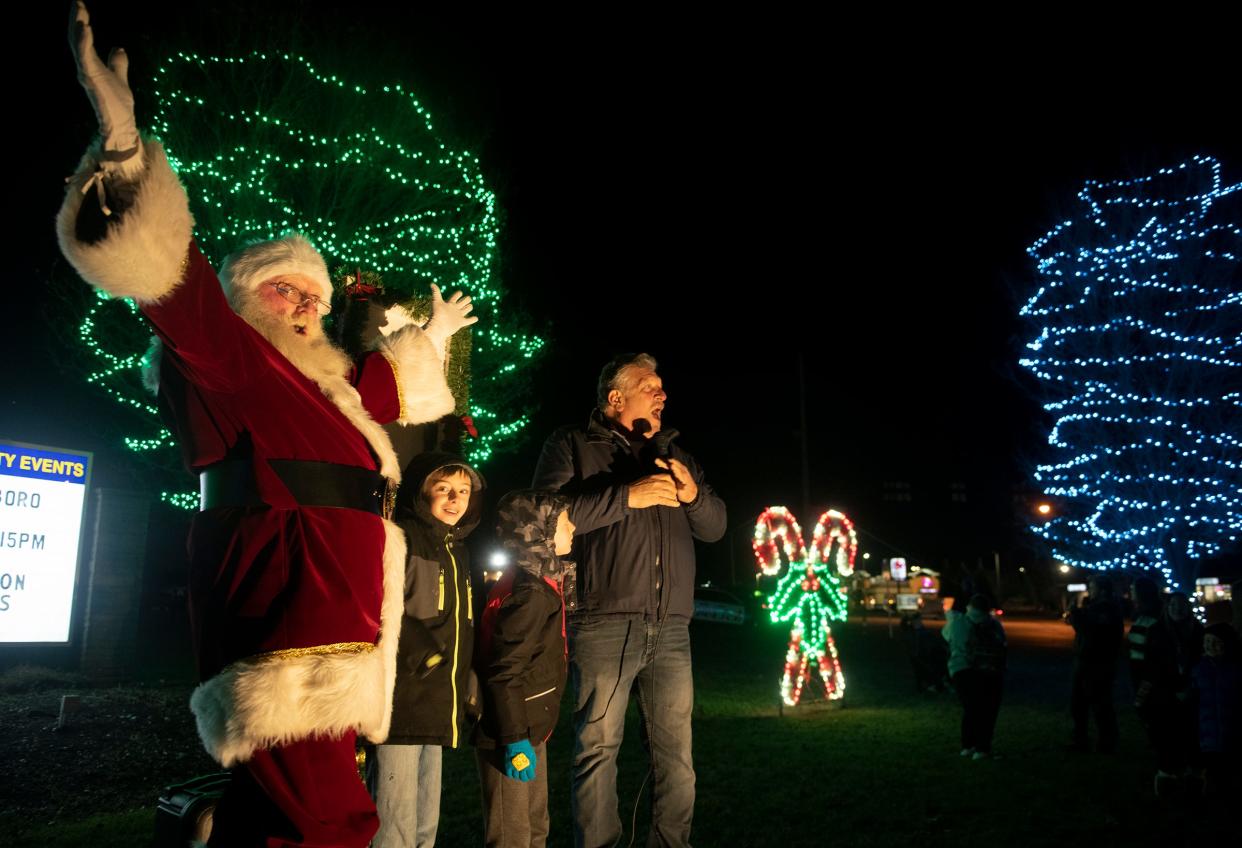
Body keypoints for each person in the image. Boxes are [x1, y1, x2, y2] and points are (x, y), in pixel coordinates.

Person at [59, 6, 473, 845]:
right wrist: (126, 150)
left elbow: (379, 394)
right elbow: (173, 287)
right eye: (288, 291)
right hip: (289, 625)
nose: (308, 306)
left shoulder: (317, 386)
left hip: (337, 619)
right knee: (325, 817)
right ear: (249, 300)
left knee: (289, 809)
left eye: (314, 298)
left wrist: (429, 340)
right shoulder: (229, 358)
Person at [531, 353, 726, 848]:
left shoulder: (675, 455)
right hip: (603, 621)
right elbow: (542, 519)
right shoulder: (572, 444)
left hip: (673, 629)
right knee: (597, 749)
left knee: (676, 756)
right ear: (616, 397)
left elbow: (716, 526)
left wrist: (693, 496)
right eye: (650, 386)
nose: (663, 395)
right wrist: (626, 496)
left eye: (662, 387)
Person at [368, 453, 485, 848]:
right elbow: (384, 605)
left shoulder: (459, 551)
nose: (455, 499)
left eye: (464, 491)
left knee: (424, 820)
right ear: (423, 493)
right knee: (394, 817)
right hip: (403, 701)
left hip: (439, 704)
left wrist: (468, 676)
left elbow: (463, 624)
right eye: (444, 489)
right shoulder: (403, 537)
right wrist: (424, 655)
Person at [472, 490, 577, 848]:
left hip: (530, 726)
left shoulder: (541, 585)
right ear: (539, 532)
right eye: (565, 523)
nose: (574, 528)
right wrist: (514, 738)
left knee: (535, 828)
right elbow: (504, 671)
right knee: (512, 835)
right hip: (509, 732)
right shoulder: (529, 594)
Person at [1134, 590, 1204, 797]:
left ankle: (1194, 778)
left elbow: (1200, 660)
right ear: (1167, 606)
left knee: (1191, 735)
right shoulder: (1157, 630)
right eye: (1173, 605)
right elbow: (1150, 663)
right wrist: (1169, 688)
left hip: (1192, 691)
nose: (1177, 609)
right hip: (1163, 692)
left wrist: (1189, 686)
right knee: (1166, 734)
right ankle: (1167, 777)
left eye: (1181, 605)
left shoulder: (1197, 630)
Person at [945, 594, 1006, 759]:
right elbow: (1003, 644)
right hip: (990, 671)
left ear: (969, 607)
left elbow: (946, 637)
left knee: (971, 709)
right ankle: (982, 748)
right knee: (988, 710)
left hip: (962, 670)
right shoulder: (994, 625)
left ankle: (967, 746)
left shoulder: (957, 623)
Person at [1067, 575, 1124, 752]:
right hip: (1087, 660)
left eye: (1092, 587)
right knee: (1081, 703)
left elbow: (1091, 631)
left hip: (1097, 662)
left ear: (1102, 590)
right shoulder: (1097, 608)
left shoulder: (1106, 609)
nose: (1090, 590)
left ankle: (1105, 741)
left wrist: (1075, 614)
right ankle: (1083, 739)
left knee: (1099, 703)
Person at [1193, 623, 1240, 797]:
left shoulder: (1236, 668)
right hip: (1208, 737)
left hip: (1233, 735)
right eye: (1207, 641)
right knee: (1215, 775)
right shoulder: (1199, 669)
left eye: (1216, 641)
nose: (1210, 645)